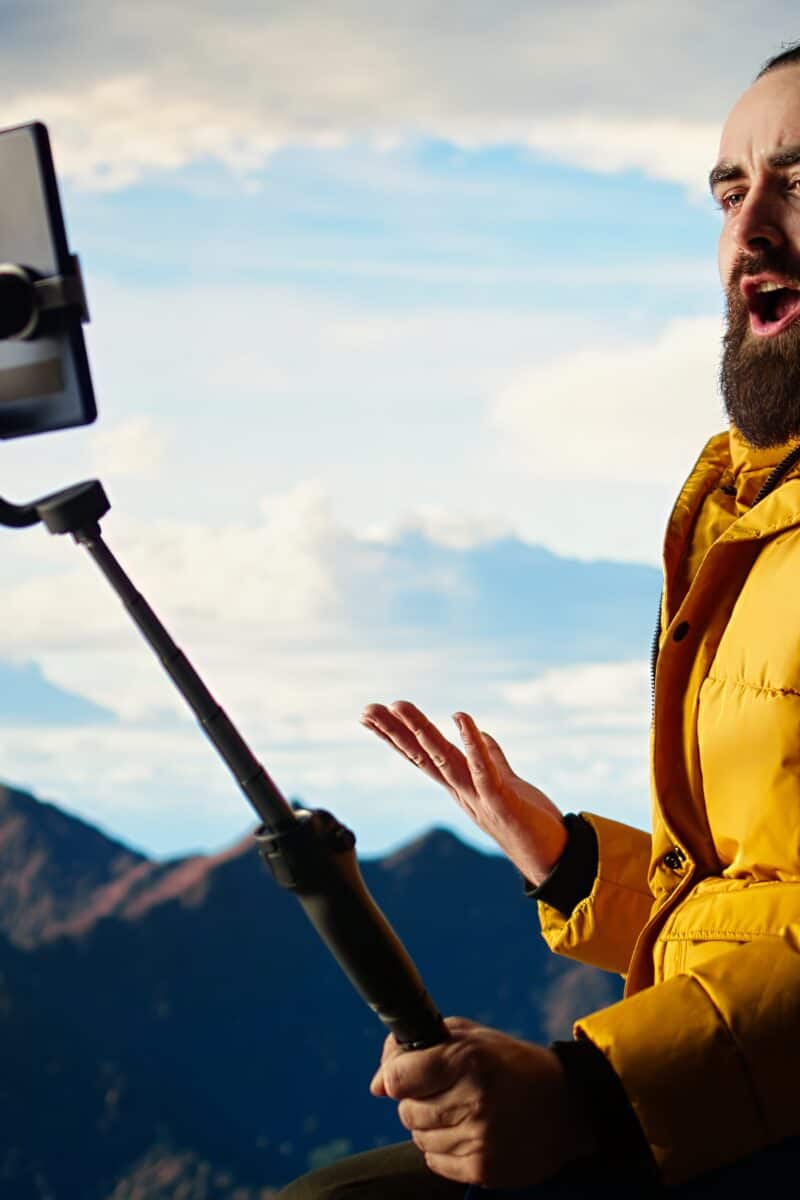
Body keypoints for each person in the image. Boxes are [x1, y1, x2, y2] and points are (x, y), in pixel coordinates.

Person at [278, 44, 800, 1198]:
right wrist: (567, 863)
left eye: (797, 183)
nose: (748, 227)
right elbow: (761, 910)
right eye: (728, 190)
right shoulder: (740, 510)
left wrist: (592, 1096)